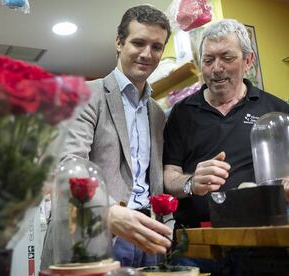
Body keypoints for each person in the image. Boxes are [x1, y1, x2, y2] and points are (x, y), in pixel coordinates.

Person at [41, 5, 172, 269]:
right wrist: (108, 211)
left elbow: (154, 179)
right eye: (138, 43)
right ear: (119, 42)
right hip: (95, 234)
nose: (147, 54)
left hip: (146, 235)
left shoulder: (158, 113)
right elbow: (67, 166)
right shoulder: (86, 95)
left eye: (157, 47)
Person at [163, 19, 289, 275]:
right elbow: (168, 177)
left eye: (227, 57)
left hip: (262, 243)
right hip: (196, 246)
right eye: (208, 60)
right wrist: (191, 183)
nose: (216, 69)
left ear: (248, 60)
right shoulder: (181, 113)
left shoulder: (276, 110)